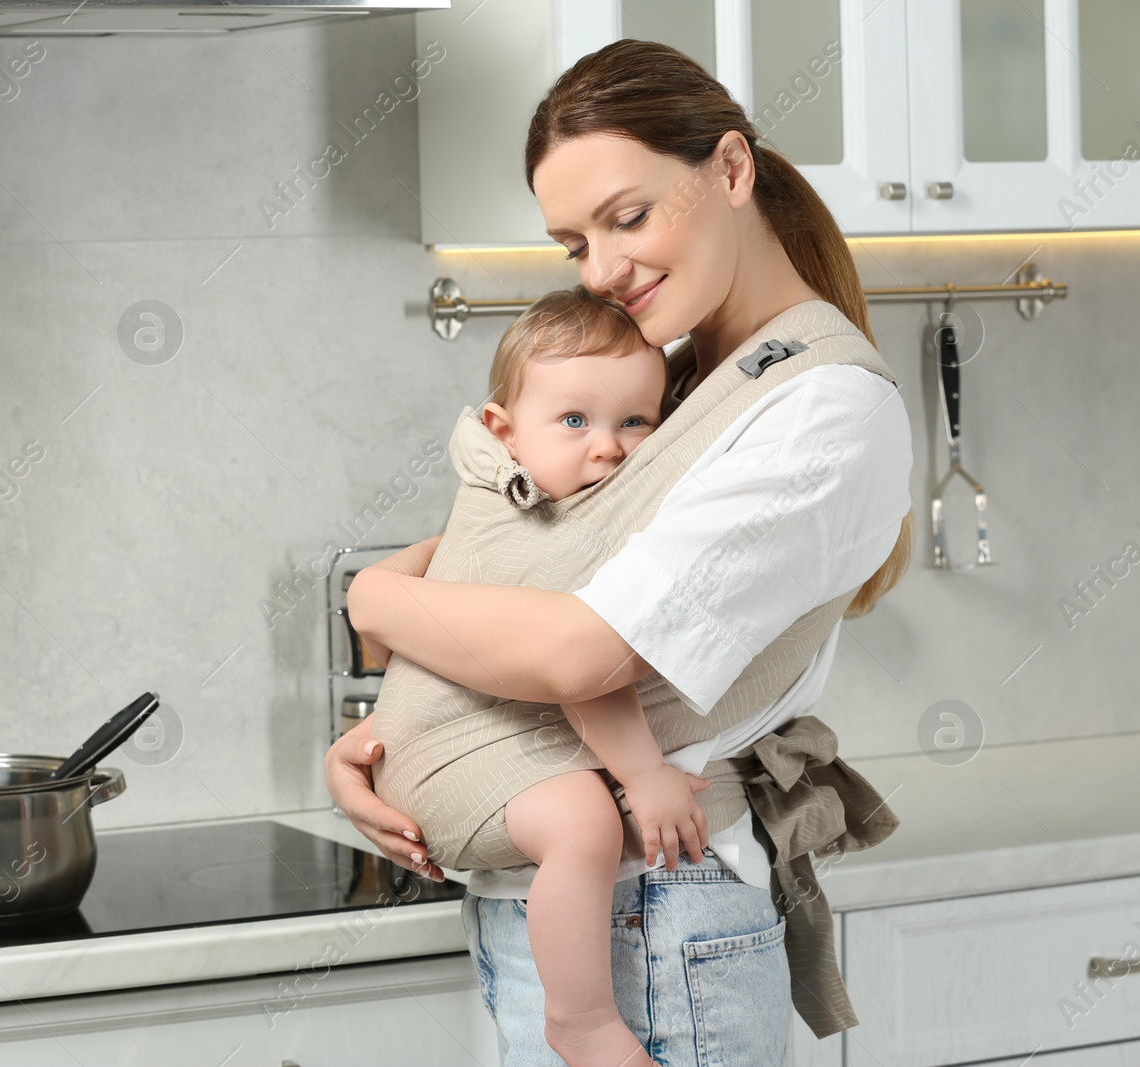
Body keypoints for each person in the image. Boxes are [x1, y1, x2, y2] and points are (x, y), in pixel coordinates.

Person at [325, 38, 913, 1067]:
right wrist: (404, 731)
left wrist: (376, 602)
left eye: (627, 217)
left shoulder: (822, 406)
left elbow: (581, 651)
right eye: (571, 244)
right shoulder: (665, 381)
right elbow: (494, 552)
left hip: (657, 910)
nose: (602, 271)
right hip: (581, 906)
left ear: (732, 170)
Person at [369, 286, 705, 1067]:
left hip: (455, 744)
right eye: (576, 420)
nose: (609, 448)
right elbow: (580, 668)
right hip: (445, 761)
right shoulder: (543, 521)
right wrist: (645, 772)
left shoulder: (520, 493)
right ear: (503, 430)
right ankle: (582, 1020)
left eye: (636, 421)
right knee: (583, 821)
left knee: (578, 813)